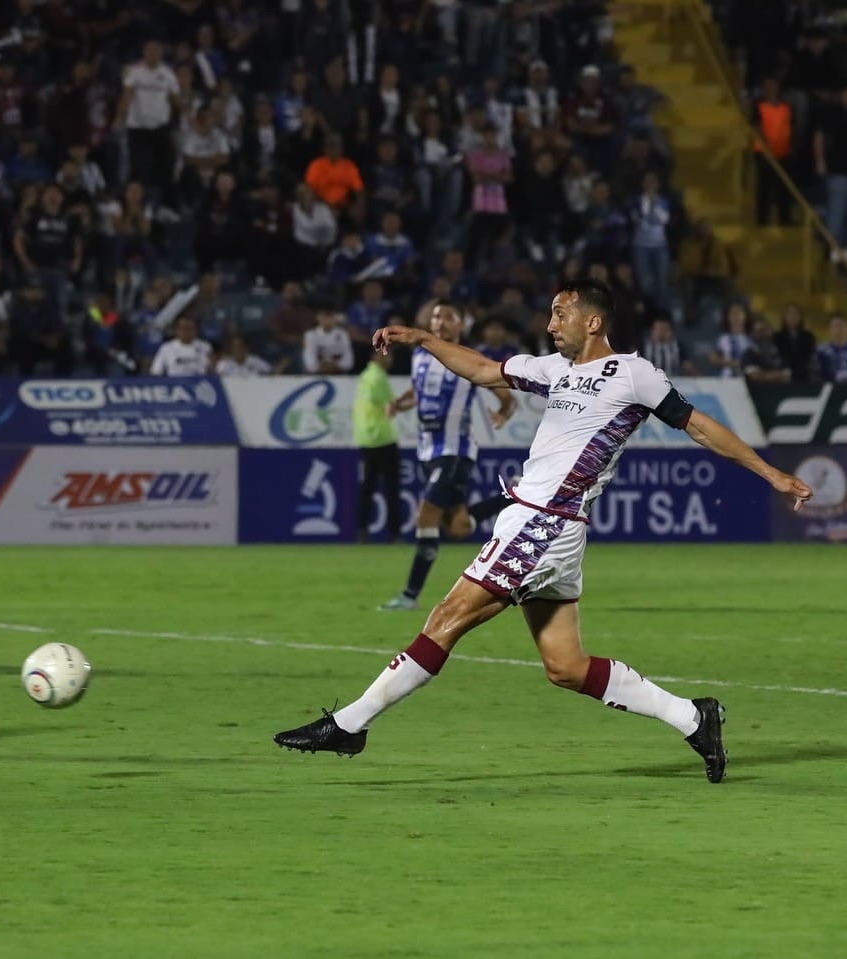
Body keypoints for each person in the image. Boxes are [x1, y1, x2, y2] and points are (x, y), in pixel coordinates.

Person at [275, 280, 813, 782]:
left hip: (545, 522)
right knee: (566, 667)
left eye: (561, 314)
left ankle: (350, 724)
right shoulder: (555, 369)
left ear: (593, 321)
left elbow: (699, 426)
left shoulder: (634, 373)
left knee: (446, 618)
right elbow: (483, 370)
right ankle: (694, 718)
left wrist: (772, 474)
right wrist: (423, 339)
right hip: (548, 526)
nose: (551, 323)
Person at [377, 298, 516, 611]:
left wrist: (503, 412)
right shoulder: (420, 355)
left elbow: (504, 393)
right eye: (436, 316)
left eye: (448, 317)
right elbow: (417, 391)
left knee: (426, 514)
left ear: (461, 324)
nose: (439, 322)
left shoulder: (466, 358)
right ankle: (512, 495)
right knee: (459, 527)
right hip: (427, 449)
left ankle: (410, 595)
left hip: (455, 449)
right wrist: (399, 404)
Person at [354, 347, 401, 544]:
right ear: (377, 355)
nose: (390, 359)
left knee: (368, 487)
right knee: (392, 488)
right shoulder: (379, 377)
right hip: (382, 438)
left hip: (365, 438)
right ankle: (394, 533)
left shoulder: (365, 376)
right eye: (388, 355)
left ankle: (362, 531)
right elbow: (390, 408)